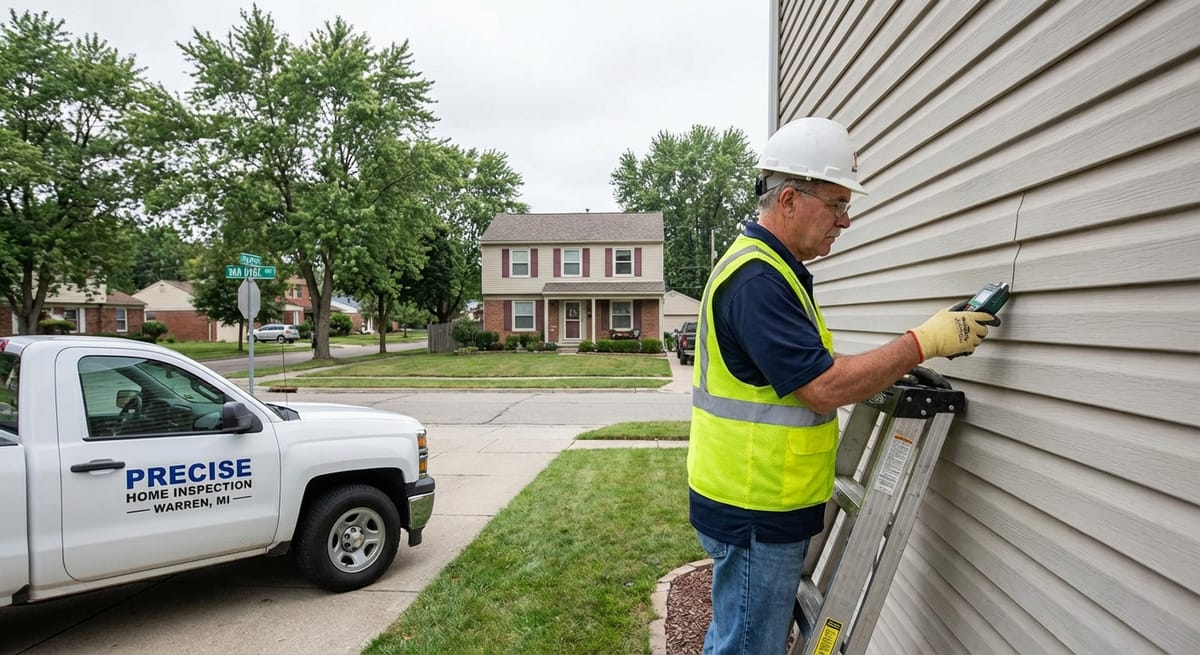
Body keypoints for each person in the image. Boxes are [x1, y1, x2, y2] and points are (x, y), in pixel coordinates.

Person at [688, 117, 998, 655]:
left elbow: (809, 370)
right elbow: (824, 386)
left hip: (756, 501)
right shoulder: (758, 280)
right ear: (788, 200)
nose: (845, 220)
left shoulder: (769, 271)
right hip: (756, 510)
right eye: (835, 204)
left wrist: (903, 354)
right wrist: (923, 342)